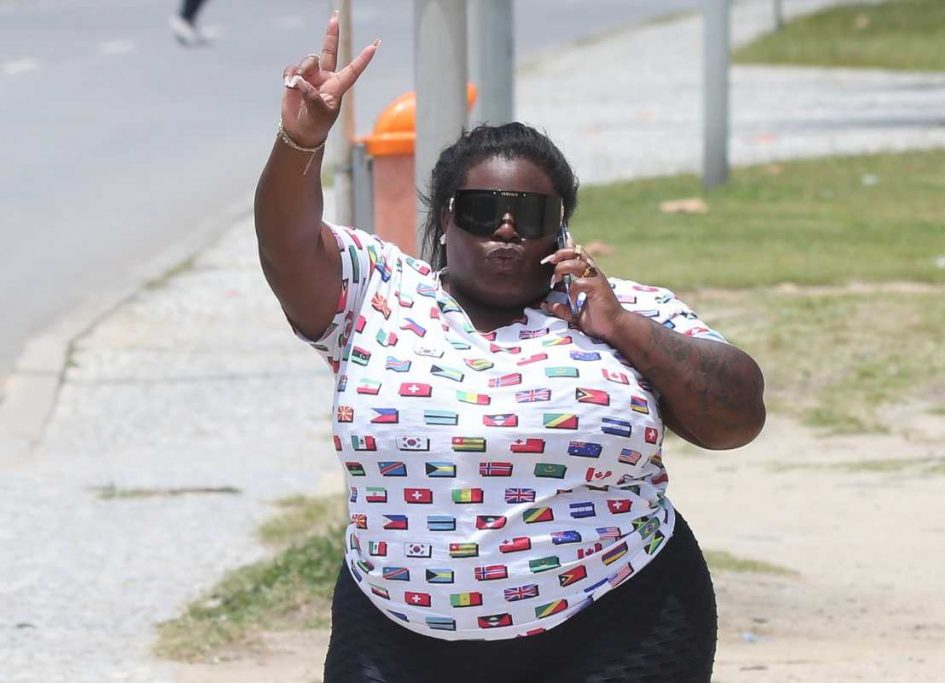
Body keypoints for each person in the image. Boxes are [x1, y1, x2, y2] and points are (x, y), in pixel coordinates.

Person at [255, 13, 765, 683]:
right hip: (394, 632)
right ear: (443, 221)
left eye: (528, 215)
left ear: (560, 229)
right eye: (479, 209)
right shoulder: (376, 290)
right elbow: (286, 245)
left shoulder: (626, 310)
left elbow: (739, 413)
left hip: (616, 618)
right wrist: (301, 141)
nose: (503, 228)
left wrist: (625, 329)